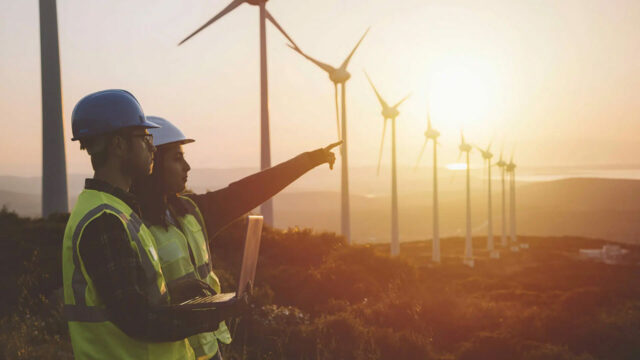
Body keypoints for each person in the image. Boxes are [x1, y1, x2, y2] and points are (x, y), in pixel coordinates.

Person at [131, 116, 341, 360]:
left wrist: (309, 160)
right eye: (177, 159)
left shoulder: (192, 212)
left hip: (208, 349)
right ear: (153, 164)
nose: (187, 167)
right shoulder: (131, 224)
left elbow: (250, 190)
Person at [61, 90, 236, 360]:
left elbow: (134, 299)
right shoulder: (104, 221)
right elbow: (137, 320)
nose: (152, 147)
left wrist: (176, 292)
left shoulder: (118, 211)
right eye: (144, 138)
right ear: (118, 145)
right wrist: (212, 314)